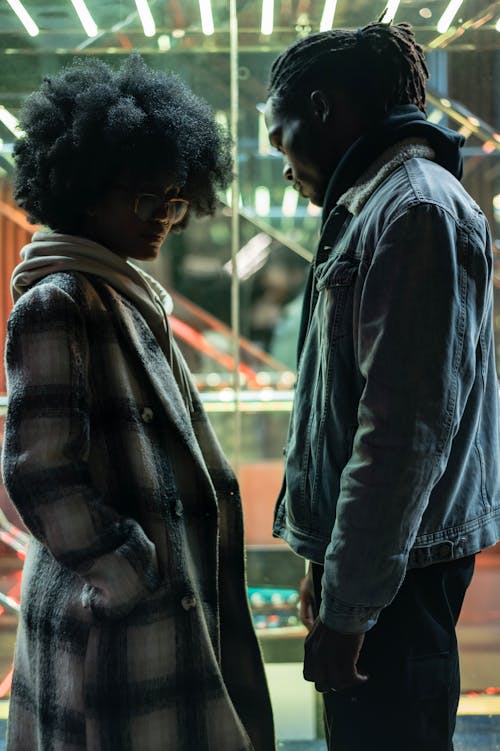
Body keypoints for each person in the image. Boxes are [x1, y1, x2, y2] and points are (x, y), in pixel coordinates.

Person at [1, 54, 275, 751]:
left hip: (140, 621)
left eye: (175, 199)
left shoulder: (121, 294)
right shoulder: (61, 300)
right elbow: (40, 471)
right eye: (145, 198)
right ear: (88, 189)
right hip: (113, 627)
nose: (163, 218)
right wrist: (131, 577)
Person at [264, 20, 499, 751]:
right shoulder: (378, 206)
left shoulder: (414, 213)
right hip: (375, 574)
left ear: (324, 107)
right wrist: (326, 570)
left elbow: (400, 437)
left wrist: (350, 605)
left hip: (395, 582)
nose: (281, 165)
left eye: (281, 135)